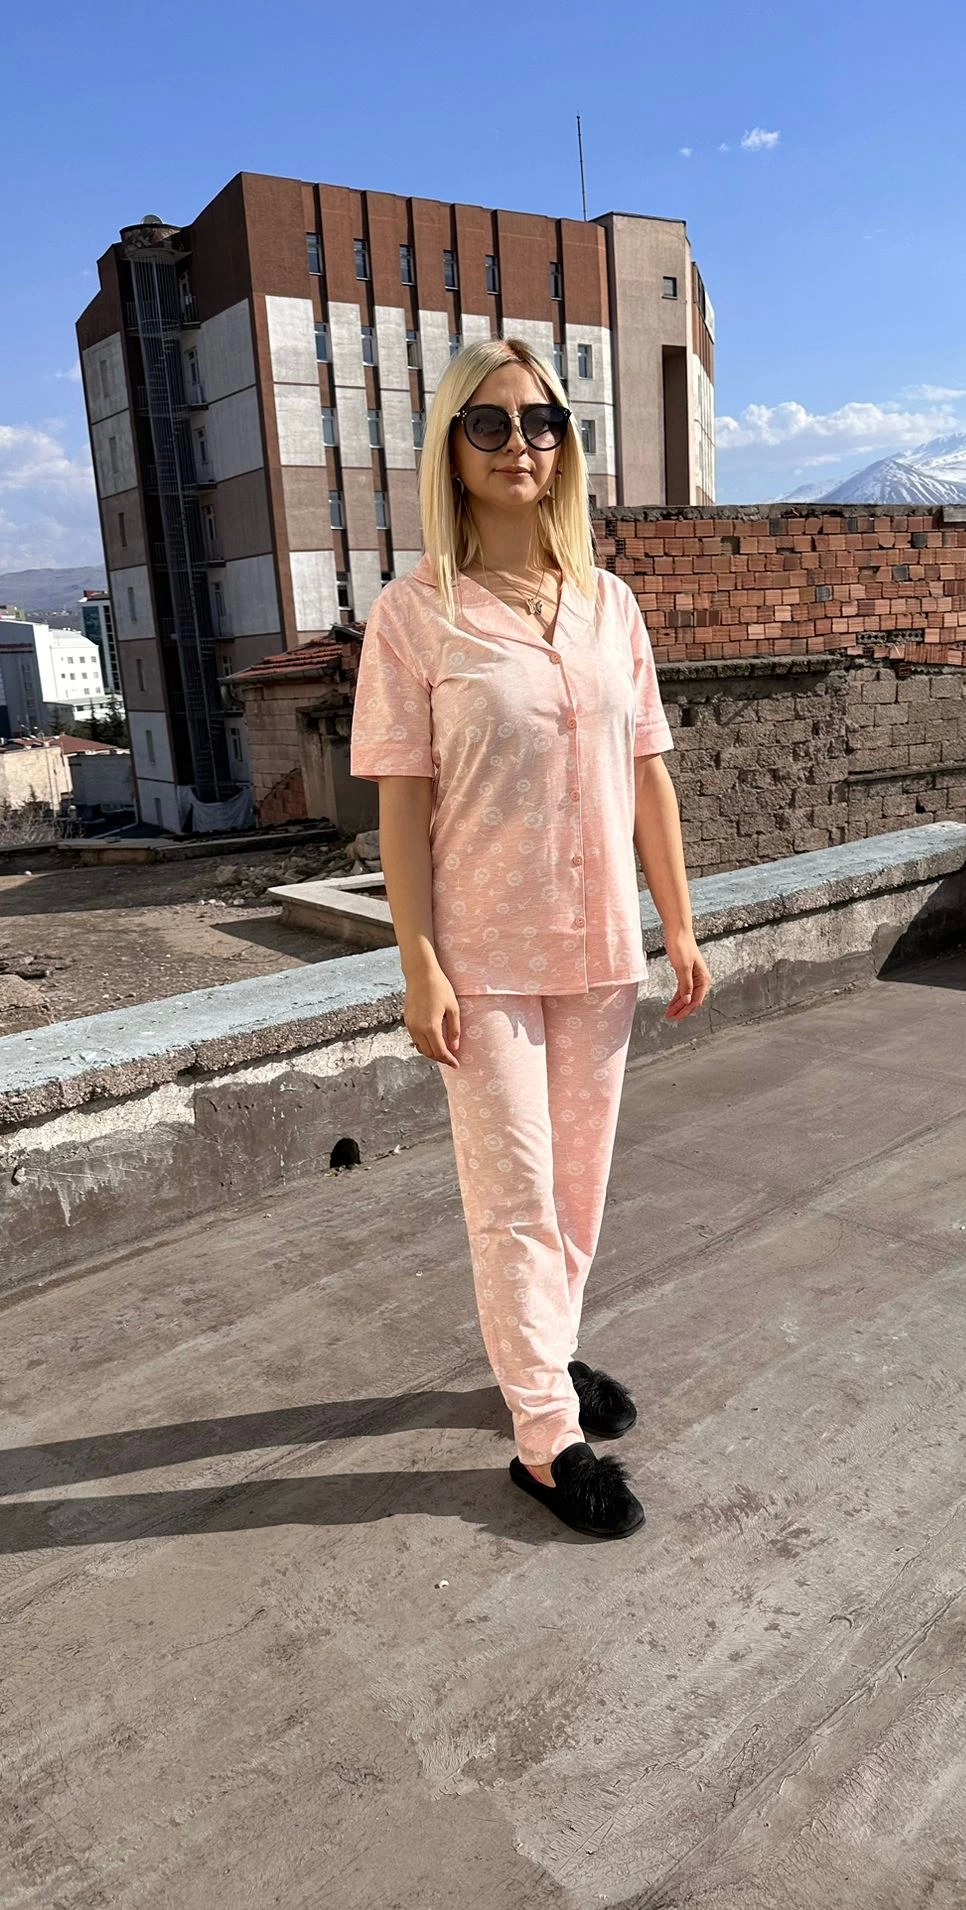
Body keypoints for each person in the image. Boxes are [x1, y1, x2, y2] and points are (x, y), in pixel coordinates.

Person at [349, 335, 710, 1538]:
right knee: (512, 1195)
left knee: (576, 1193)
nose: (522, 443)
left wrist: (679, 920)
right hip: (485, 956)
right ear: (451, 449)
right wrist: (418, 960)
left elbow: (647, 774)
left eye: (544, 421)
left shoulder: (611, 605)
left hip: (599, 944)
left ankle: (541, 1356)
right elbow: (402, 804)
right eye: (491, 423)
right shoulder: (415, 616)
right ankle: (546, 1439)